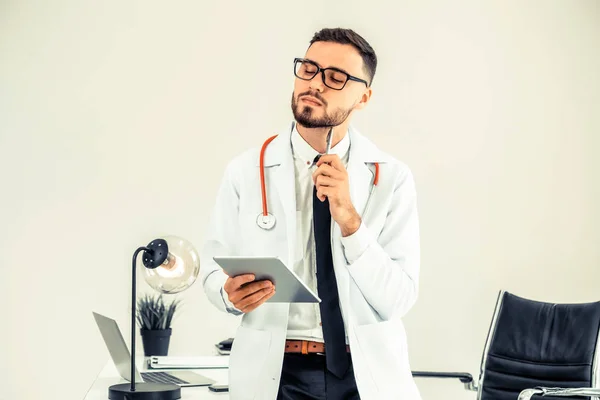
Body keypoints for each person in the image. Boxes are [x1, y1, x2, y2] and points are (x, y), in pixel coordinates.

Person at [200, 27, 422, 400]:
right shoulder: (245, 171)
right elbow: (211, 270)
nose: (316, 84)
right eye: (308, 69)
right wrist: (227, 293)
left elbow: (398, 299)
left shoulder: (392, 178)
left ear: (363, 97)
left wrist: (350, 220)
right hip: (278, 374)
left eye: (336, 78)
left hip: (364, 374)